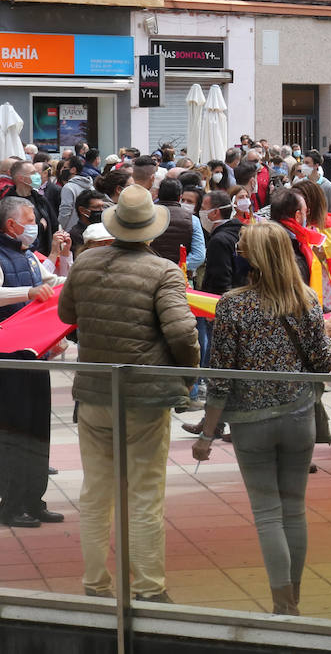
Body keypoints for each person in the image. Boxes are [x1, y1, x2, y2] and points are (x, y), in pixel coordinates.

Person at [57, 185, 200, 601]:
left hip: (94, 393)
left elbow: (67, 314)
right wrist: (187, 376)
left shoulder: (86, 262)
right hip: (144, 396)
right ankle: (150, 587)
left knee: (95, 491)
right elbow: (182, 331)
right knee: (144, 492)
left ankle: (95, 583)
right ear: (151, 232)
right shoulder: (163, 271)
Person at [191, 223, 331, 615]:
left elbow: (221, 377)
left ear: (250, 257)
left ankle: (281, 602)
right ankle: (296, 596)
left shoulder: (233, 305)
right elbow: (324, 361)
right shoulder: (304, 298)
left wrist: (207, 433)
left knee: (267, 512)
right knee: (294, 509)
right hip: (299, 414)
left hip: (250, 421)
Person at [0, 196, 70, 528]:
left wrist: (72, 274)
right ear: (11, 225)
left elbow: (50, 284)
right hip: (7, 360)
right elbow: (29, 290)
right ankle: (11, 504)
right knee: (14, 431)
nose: (36, 224)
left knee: (37, 428)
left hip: (34, 353)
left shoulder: (26, 254)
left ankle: (33, 499)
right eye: (29, 218)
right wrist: (27, 293)